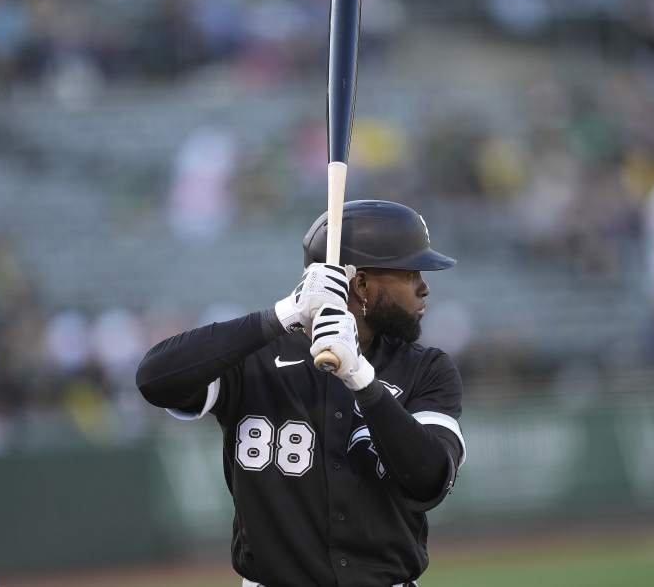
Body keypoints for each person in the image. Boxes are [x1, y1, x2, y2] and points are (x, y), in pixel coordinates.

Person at [137, 200, 466, 587]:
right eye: (410, 273)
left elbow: (430, 479)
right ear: (360, 284)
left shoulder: (427, 368)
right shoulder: (253, 360)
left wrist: (361, 379)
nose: (424, 287)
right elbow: (154, 379)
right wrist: (281, 315)